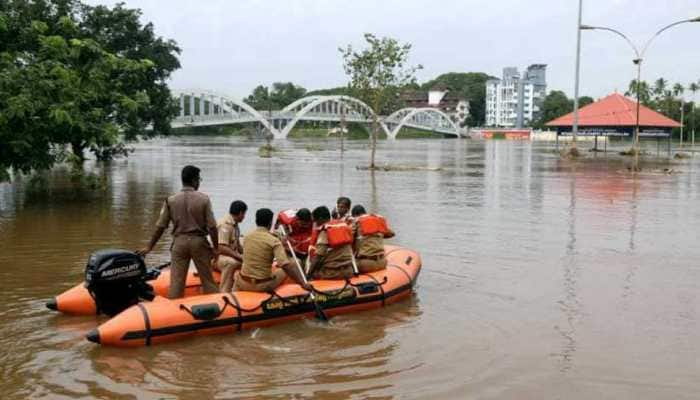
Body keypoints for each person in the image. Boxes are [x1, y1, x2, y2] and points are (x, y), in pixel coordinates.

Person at [137, 165, 219, 299]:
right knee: (208, 281)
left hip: (179, 244)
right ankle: (216, 308)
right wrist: (215, 248)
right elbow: (212, 227)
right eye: (199, 180)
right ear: (194, 180)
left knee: (176, 283)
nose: (199, 183)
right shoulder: (204, 199)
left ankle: (173, 311)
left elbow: (160, 226)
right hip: (199, 243)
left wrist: (149, 247)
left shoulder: (171, 200)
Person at [234, 208, 310, 292]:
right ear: (270, 223)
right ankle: (296, 289)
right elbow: (285, 265)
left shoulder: (247, 237)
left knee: (240, 275)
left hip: (243, 282)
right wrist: (302, 283)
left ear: (256, 221)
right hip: (262, 285)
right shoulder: (274, 241)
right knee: (291, 266)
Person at [307, 206, 354, 280]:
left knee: (313, 274)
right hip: (349, 270)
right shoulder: (344, 226)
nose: (315, 224)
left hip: (332, 272)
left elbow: (317, 257)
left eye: (315, 221)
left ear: (320, 219)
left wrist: (308, 275)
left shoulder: (325, 231)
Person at [350, 205, 395, 273]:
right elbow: (392, 234)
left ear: (355, 215)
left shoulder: (356, 222)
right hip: (382, 262)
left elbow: (347, 239)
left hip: (365, 264)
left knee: (344, 268)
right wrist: (376, 235)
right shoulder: (377, 220)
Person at [214, 200, 247, 292]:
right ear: (240, 213)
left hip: (227, 255)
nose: (244, 217)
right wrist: (239, 257)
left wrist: (248, 256)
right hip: (216, 258)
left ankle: (240, 289)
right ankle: (224, 292)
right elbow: (221, 248)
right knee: (231, 263)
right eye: (244, 214)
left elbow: (238, 246)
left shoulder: (235, 225)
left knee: (248, 262)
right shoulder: (225, 225)